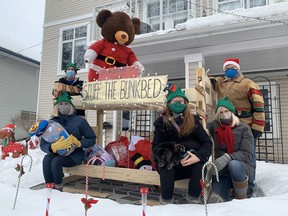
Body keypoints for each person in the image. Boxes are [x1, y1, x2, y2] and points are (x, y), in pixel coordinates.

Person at [211, 58, 265, 196]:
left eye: (232, 67)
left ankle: (249, 187)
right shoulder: (220, 83)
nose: (229, 70)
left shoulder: (248, 83)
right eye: (226, 68)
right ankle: (229, 184)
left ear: (238, 69)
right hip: (226, 124)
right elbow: (209, 81)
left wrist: (258, 126)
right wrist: (209, 81)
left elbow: (258, 105)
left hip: (246, 124)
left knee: (248, 156)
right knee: (227, 154)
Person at [152, 85, 212, 204]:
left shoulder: (193, 121)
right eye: (175, 101)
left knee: (200, 167)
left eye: (181, 101)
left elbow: (207, 143)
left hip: (188, 162)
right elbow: (155, 147)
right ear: (169, 104)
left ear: (185, 103)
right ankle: (166, 200)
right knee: (166, 165)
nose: (178, 104)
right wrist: (168, 154)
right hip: (169, 164)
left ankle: (193, 198)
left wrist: (198, 157)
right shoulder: (161, 123)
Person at [40, 91, 96, 191]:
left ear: (71, 106)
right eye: (61, 104)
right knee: (47, 159)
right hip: (57, 153)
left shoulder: (80, 121)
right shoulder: (52, 123)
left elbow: (92, 139)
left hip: (75, 155)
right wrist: (51, 147)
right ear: (56, 107)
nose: (63, 106)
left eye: (66, 104)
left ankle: (58, 189)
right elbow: (43, 143)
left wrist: (79, 143)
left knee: (56, 161)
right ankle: (49, 189)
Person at [206, 97, 254, 202]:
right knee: (216, 199)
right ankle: (227, 190)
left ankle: (241, 197)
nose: (224, 114)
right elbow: (200, 128)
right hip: (222, 170)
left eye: (226, 111)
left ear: (232, 112)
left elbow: (247, 154)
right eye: (221, 112)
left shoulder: (244, 128)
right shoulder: (215, 126)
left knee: (234, 164)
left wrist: (228, 157)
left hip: (241, 167)